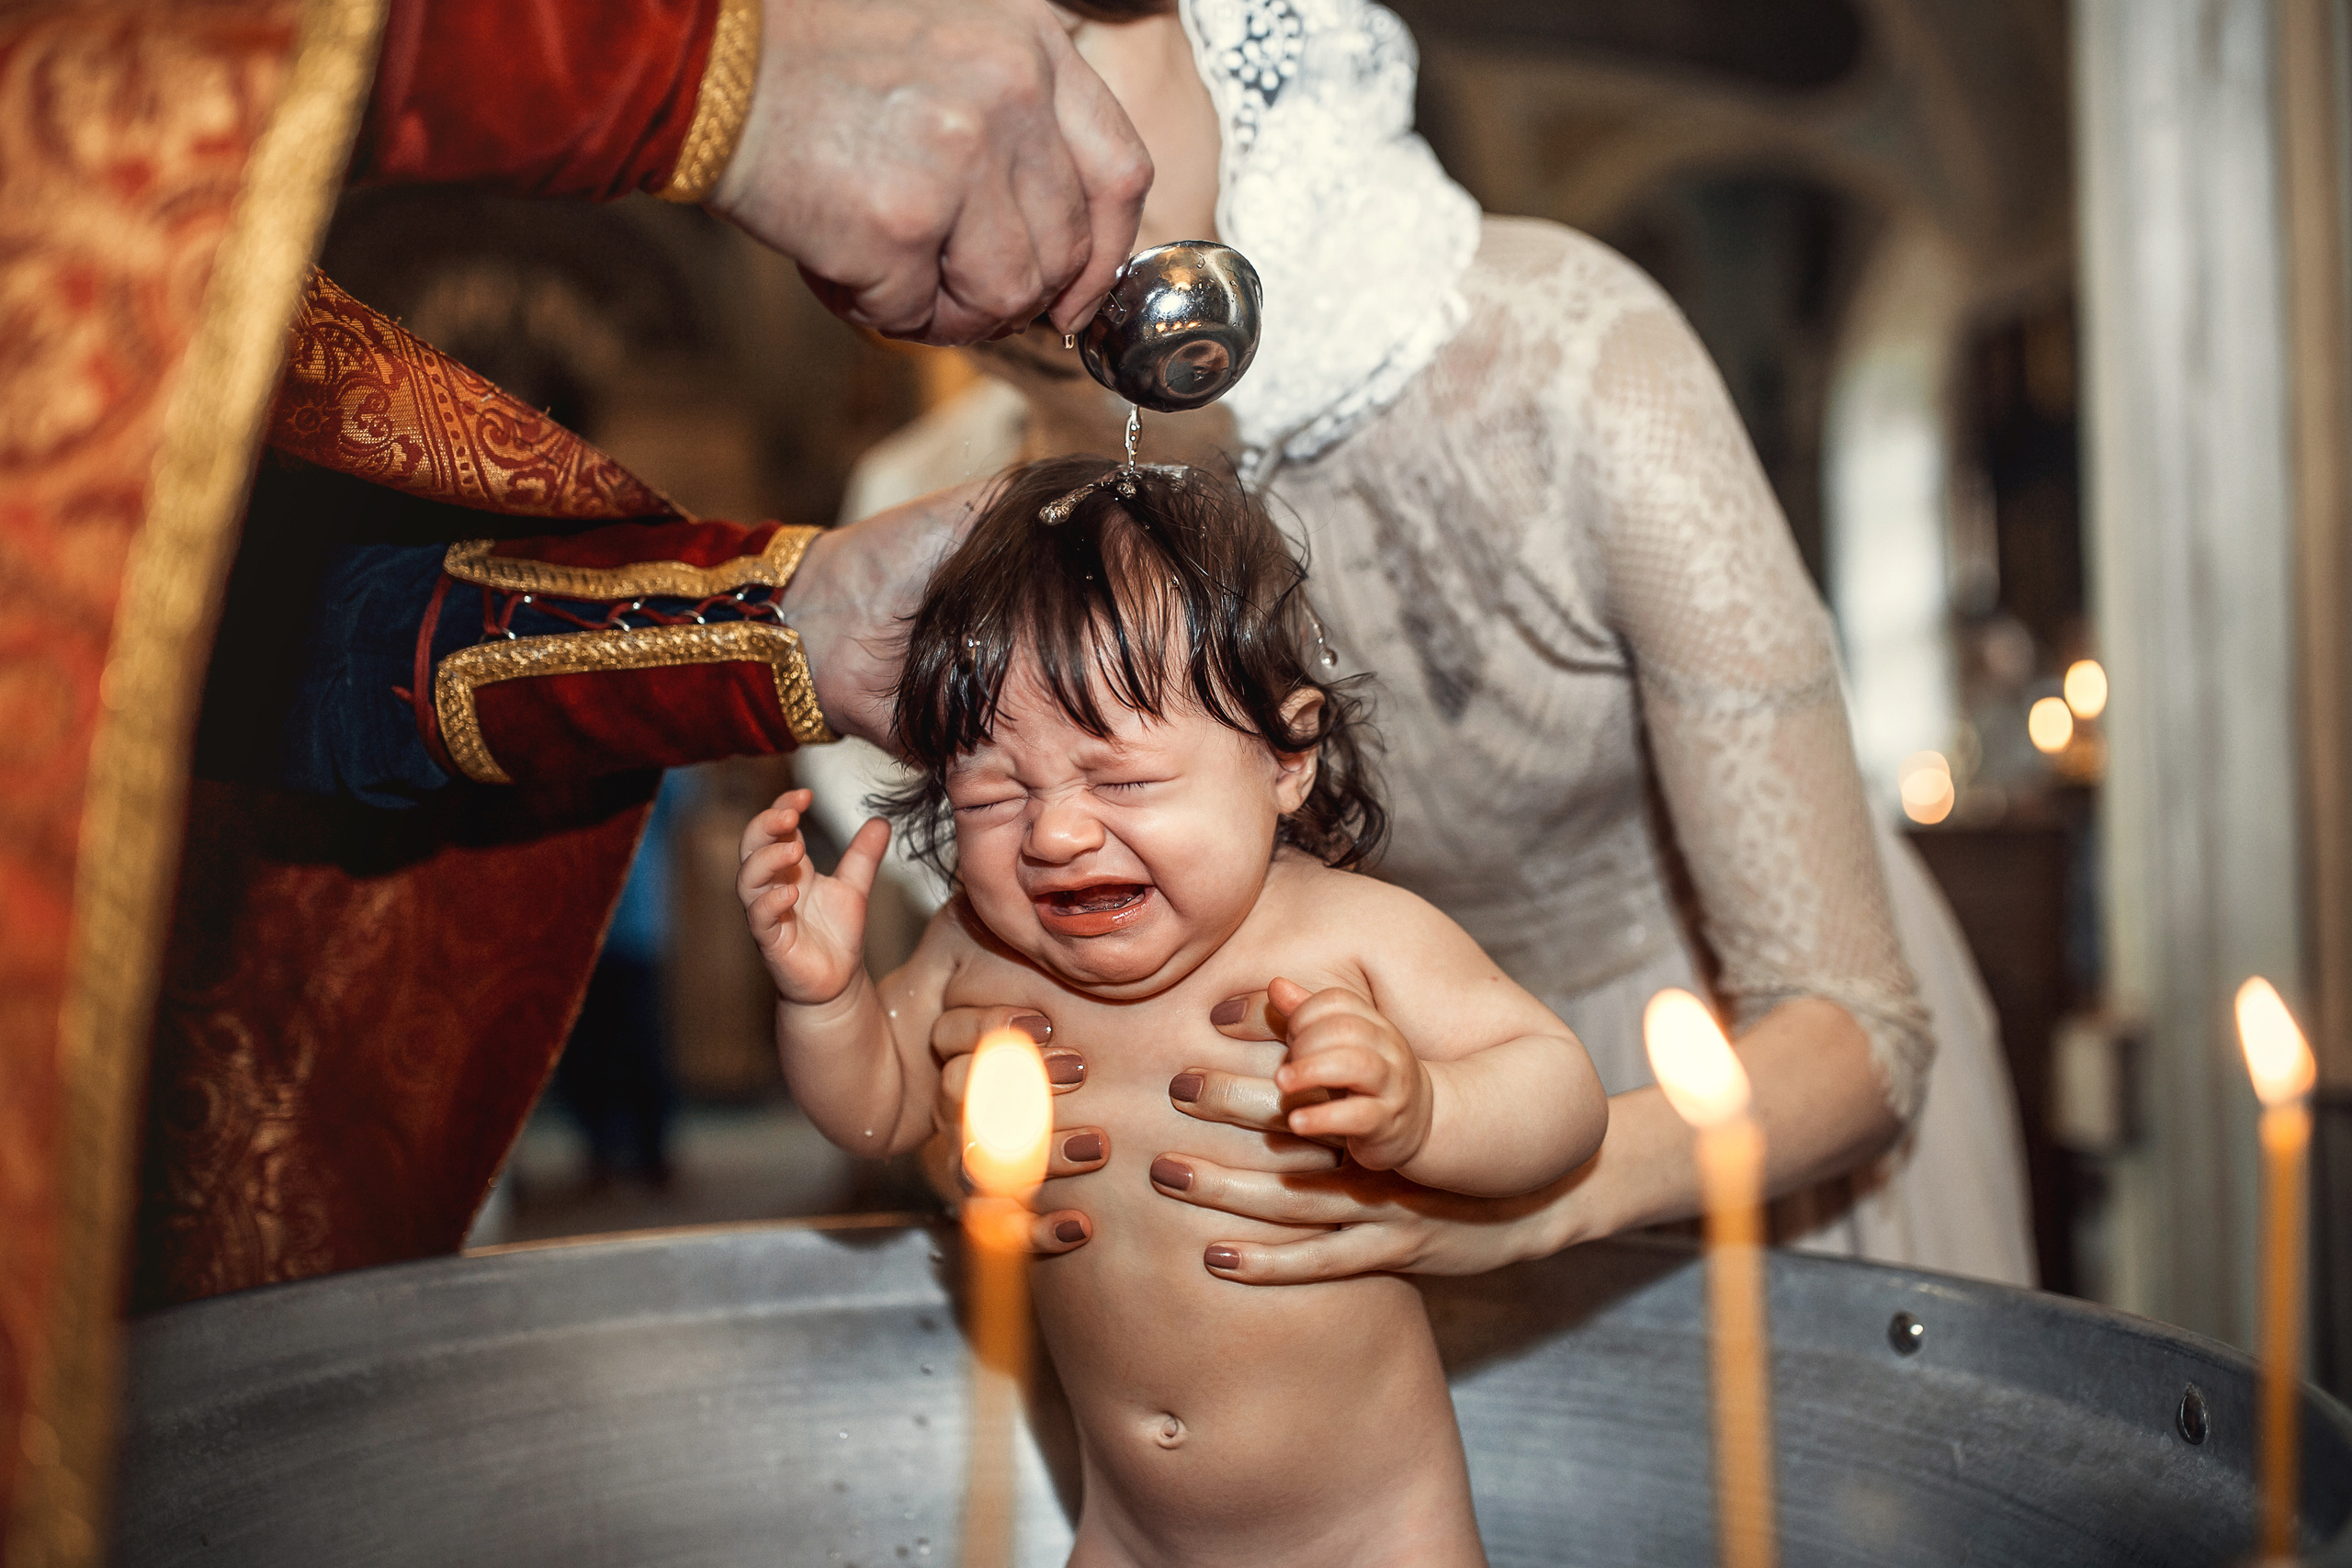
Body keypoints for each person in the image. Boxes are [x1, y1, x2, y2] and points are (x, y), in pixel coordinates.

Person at [820, 0, 2036, 1286]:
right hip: (1342, 1136)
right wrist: (987, 1127)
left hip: (1726, 1108)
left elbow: (1858, 1029)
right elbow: (957, 1030)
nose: (983, 132)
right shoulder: (962, 514)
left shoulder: (1574, 364)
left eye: (1053, 43)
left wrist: (1515, 1203)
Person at [740, 457, 1605, 1567]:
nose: (1055, 835)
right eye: (995, 793)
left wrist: (1427, 1110)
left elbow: (1559, 1092)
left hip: (1374, 1535)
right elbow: (876, 1111)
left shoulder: (1349, 936)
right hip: (1128, 1533)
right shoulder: (976, 947)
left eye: (1124, 780)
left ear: (1286, 756)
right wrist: (826, 999)